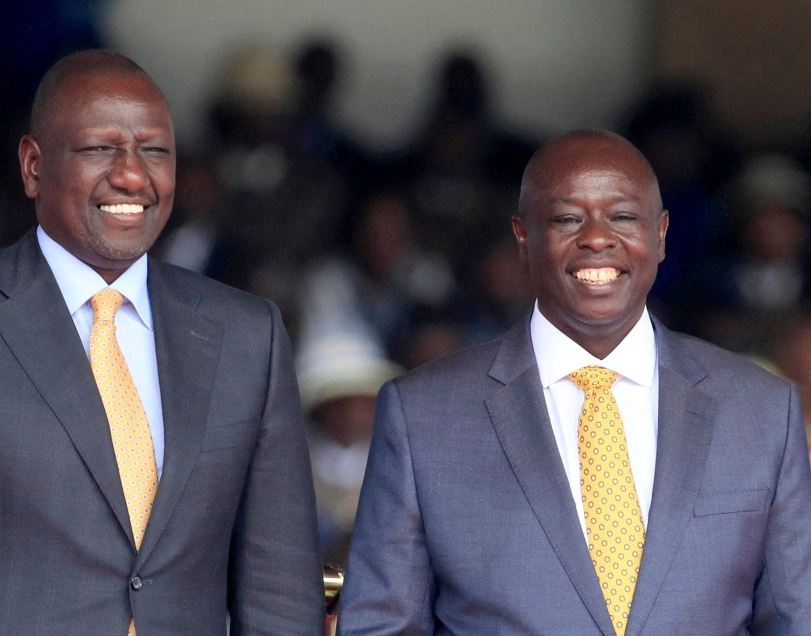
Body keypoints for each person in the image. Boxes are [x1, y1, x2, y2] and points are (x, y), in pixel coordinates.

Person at [0, 50, 324, 635]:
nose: (133, 175)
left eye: (154, 150)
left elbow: (282, 593)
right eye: (100, 148)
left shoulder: (247, 335)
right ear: (32, 166)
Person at [339, 130, 811, 635]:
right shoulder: (423, 415)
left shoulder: (761, 409)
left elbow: (794, 618)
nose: (598, 238)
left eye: (624, 216)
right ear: (523, 238)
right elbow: (383, 625)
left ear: (662, 236)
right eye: (567, 218)